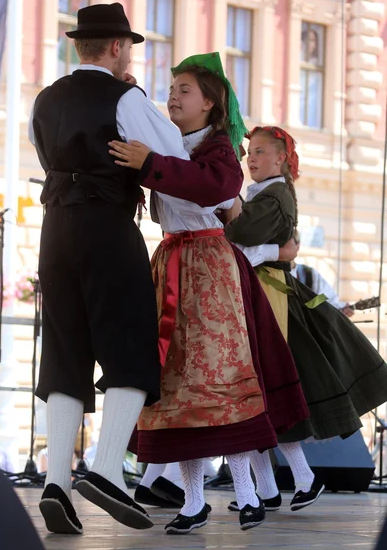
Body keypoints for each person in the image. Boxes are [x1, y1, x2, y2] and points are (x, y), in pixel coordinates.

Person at [108, 53, 309, 533]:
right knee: (177, 385)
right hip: (173, 263)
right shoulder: (167, 141)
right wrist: (127, 96)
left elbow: (212, 187)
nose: (174, 96)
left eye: (185, 90)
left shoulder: (218, 152)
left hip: (209, 269)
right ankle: (193, 500)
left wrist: (152, 163)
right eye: (172, 88)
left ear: (211, 104)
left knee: (219, 379)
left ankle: (247, 493)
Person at [28, 2, 201, 536]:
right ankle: (105, 467)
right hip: (106, 222)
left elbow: (45, 156)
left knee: (64, 347)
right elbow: (172, 155)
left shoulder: (45, 99)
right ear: (118, 48)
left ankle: (57, 481)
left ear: (79, 45)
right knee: (130, 339)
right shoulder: (125, 97)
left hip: (55, 229)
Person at [225, 125, 387, 513]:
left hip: (269, 298)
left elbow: (238, 235)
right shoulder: (264, 193)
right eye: (252, 152)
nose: (253, 157)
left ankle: (290, 482)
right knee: (259, 397)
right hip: (259, 292)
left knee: (262, 393)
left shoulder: (275, 194)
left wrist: (260, 244)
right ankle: (278, 486)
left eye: (261, 151)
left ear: (281, 158)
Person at [291, 234, 354, 316]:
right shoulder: (270, 272)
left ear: (297, 246)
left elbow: (327, 299)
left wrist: (341, 309)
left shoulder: (309, 274)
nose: (278, 247)